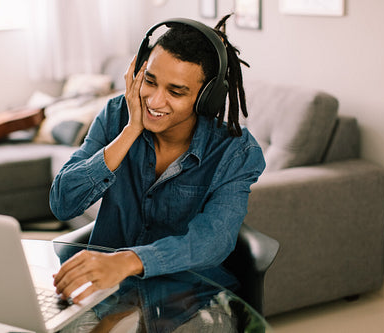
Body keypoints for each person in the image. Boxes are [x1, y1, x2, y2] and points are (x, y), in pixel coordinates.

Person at [49, 14, 265, 332]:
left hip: (192, 299)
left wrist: (127, 261)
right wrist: (129, 132)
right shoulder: (115, 116)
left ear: (207, 98)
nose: (154, 100)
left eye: (175, 92)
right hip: (109, 293)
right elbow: (62, 203)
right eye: (149, 81)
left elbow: (213, 240)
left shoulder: (236, 152)